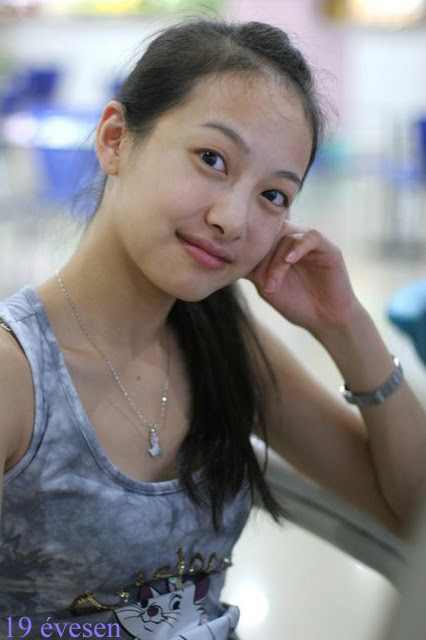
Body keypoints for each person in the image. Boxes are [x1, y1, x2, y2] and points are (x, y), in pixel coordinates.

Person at [0, 17, 425, 640]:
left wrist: (345, 326)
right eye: (212, 159)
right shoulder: (16, 375)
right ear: (116, 140)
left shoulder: (223, 344)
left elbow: (415, 509)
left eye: (274, 196)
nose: (233, 220)